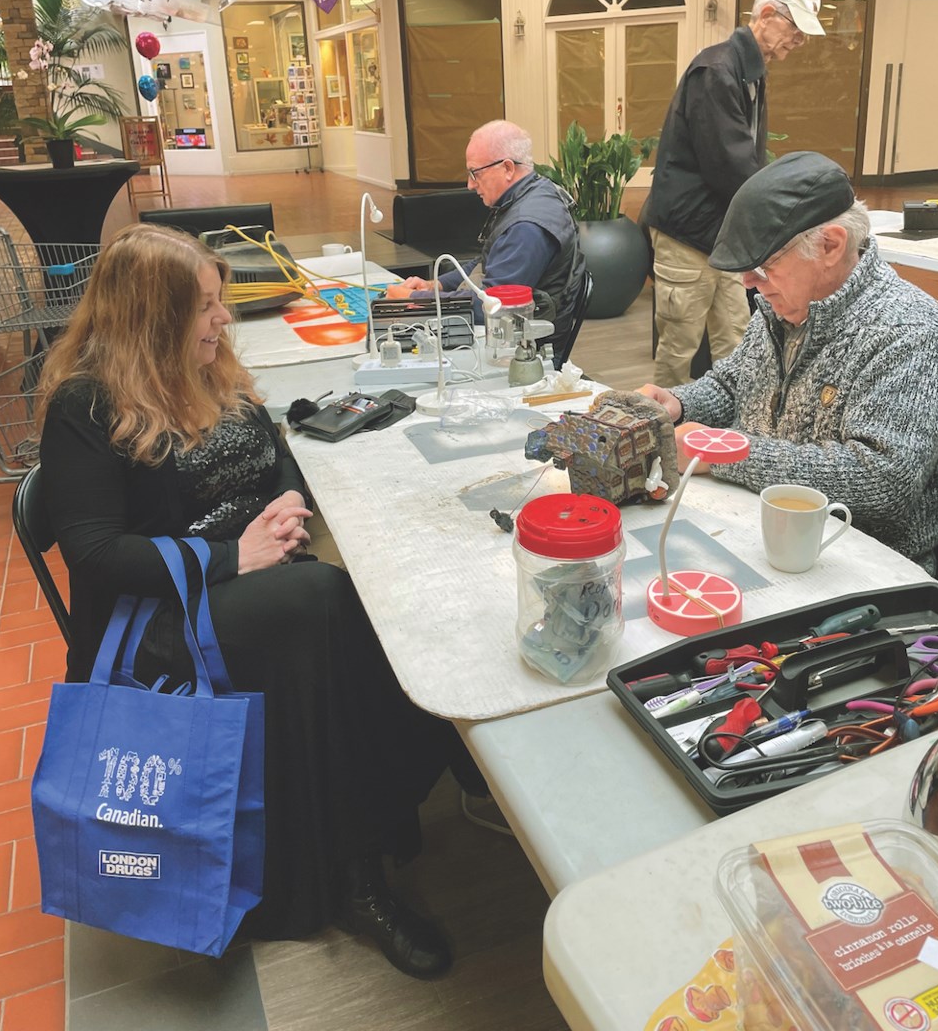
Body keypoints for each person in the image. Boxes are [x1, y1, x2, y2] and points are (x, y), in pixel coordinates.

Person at [36, 223, 472, 978]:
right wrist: (234, 554)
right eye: (205, 307)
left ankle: (388, 789)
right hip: (156, 617)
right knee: (323, 604)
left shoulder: (207, 367)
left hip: (236, 577)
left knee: (332, 600)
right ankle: (358, 864)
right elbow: (99, 557)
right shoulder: (87, 405)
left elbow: (273, 457)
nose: (222, 320)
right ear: (153, 320)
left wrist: (285, 505)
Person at [639, 151, 938, 573]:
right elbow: (732, 386)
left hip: (862, 566)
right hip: (760, 535)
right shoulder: (784, 307)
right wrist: (677, 405)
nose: (747, 282)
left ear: (830, 245)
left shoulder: (911, 331)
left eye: (764, 266)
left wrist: (726, 454)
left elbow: (882, 482)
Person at [645, 0, 825, 386]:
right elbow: (730, 166)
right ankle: (664, 440)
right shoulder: (717, 70)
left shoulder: (749, 70)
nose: (797, 43)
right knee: (678, 351)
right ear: (765, 14)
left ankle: (734, 442)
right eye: (794, 30)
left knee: (737, 340)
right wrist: (788, 209)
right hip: (688, 233)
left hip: (724, 234)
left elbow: (743, 162)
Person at [390, 119, 586, 353]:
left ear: (507, 168)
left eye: (475, 173)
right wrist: (437, 285)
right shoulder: (533, 192)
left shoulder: (527, 227)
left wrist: (417, 299)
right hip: (510, 336)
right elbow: (488, 262)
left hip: (522, 353)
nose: (470, 184)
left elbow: (493, 306)